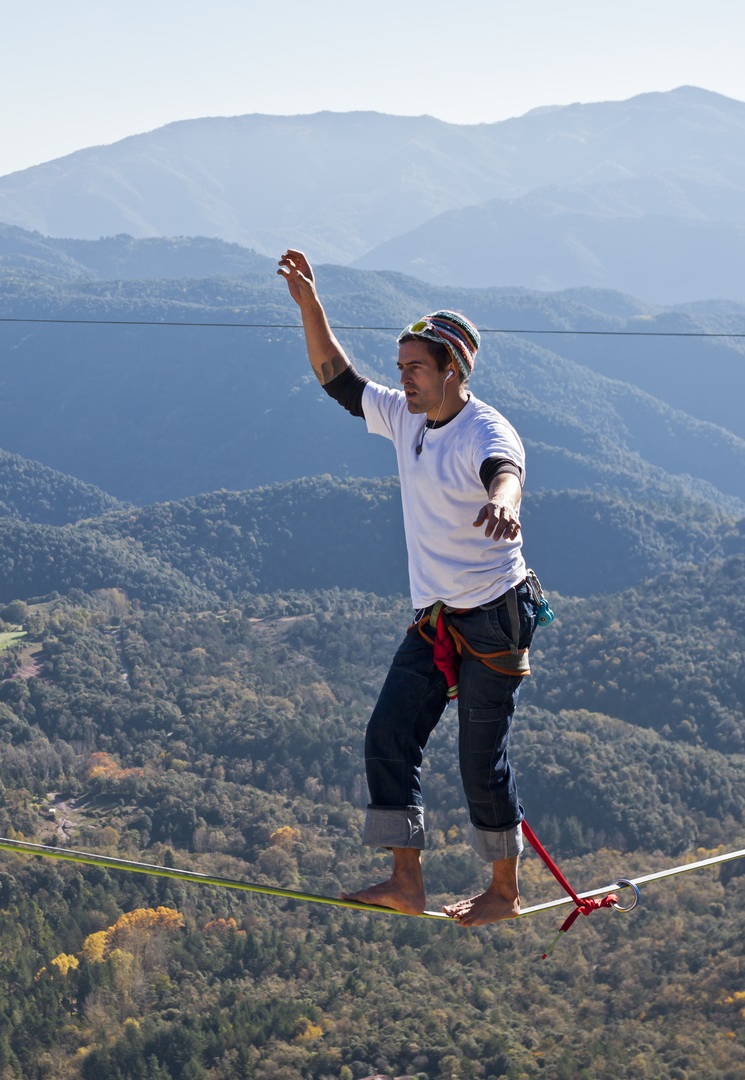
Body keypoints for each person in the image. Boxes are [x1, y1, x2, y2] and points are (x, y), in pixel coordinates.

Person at [277, 248, 539, 926]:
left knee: (481, 761)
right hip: (438, 618)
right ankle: (406, 882)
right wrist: (311, 308)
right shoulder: (406, 419)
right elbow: (339, 380)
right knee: (388, 737)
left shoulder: (485, 429)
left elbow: (503, 469)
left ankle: (505, 892)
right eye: (401, 369)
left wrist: (507, 502)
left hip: (493, 620)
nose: (404, 381)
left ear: (454, 372)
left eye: (416, 369)